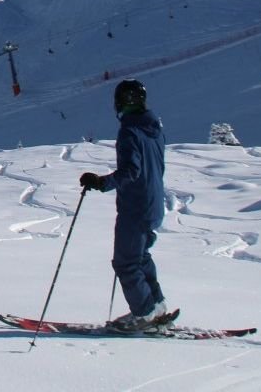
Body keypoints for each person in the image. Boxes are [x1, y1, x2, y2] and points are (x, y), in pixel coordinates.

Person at [80, 78, 169, 331]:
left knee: (126, 262)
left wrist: (101, 182)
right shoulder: (155, 130)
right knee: (140, 258)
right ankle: (156, 306)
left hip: (135, 207)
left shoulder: (129, 132)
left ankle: (144, 314)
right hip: (152, 205)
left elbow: (131, 170)